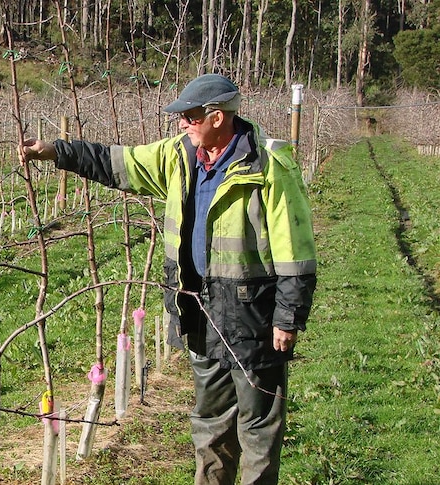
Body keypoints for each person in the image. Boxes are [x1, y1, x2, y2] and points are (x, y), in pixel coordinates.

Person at [18, 74, 317, 485]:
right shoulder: (179, 156)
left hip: (255, 318)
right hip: (200, 312)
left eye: (189, 116)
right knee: (210, 424)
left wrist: (288, 316)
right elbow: (115, 162)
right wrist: (57, 152)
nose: (181, 124)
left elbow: (295, 248)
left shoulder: (268, 167)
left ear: (217, 116)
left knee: (258, 429)